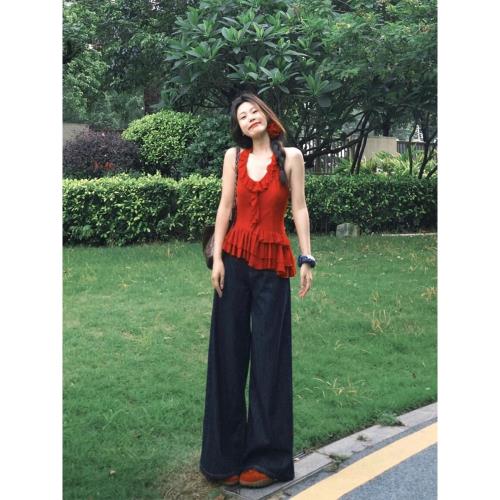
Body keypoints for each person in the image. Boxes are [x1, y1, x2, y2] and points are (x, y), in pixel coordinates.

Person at [199, 92, 316, 489]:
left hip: (272, 266)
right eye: (243, 116)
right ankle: (223, 458)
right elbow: (224, 207)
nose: (250, 118)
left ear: (267, 115)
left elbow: (299, 208)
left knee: (270, 358)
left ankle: (268, 461)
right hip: (234, 263)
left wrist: (306, 257)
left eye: (254, 111)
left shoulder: (292, 157)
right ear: (240, 128)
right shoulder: (234, 157)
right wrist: (217, 259)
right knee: (228, 355)